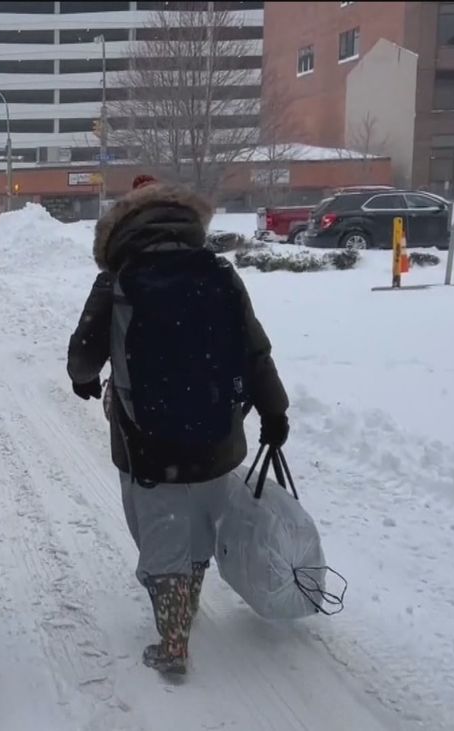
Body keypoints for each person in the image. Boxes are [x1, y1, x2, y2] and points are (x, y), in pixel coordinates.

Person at [66, 181, 289, 676]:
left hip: (145, 444)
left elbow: (83, 353)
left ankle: (173, 643)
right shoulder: (220, 272)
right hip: (217, 438)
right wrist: (274, 410)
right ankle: (188, 600)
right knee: (198, 529)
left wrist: (83, 380)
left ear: (121, 231)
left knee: (160, 531)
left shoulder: (117, 280)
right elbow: (255, 349)